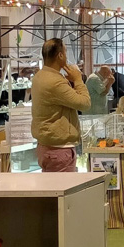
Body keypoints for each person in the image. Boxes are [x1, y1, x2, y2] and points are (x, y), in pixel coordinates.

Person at [31, 38, 91, 172]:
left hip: (46, 146)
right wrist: (78, 80)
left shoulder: (39, 76)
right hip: (59, 150)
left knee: (50, 183)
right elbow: (85, 103)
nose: (67, 56)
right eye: (65, 52)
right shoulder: (55, 81)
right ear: (60, 55)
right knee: (62, 185)